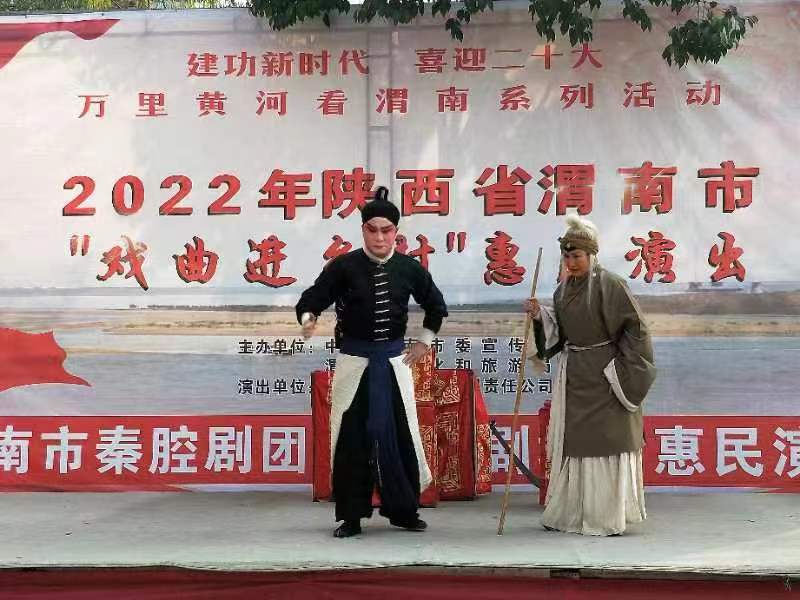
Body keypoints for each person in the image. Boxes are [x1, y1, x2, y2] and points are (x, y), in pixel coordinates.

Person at [296, 186, 448, 538]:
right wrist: (308, 317)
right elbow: (313, 297)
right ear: (363, 230)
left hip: (394, 364)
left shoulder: (409, 268)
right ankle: (351, 516)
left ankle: (404, 511)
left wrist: (424, 342)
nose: (379, 237)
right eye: (372, 230)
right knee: (352, 437)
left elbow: (436, 307)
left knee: (400, 433)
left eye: (386, 230)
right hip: (354, 364)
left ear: (396, 232)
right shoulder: (344, 266)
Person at [525, 215, 656, 536]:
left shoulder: (611, 285)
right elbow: (562, 332)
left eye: (577, 256)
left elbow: (637, 330)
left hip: (609, 377)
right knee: (576, 444)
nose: (571, 263)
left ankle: (607, 516)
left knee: (608, 441)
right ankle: (572, 513)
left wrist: (622, 370)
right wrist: (540, 316)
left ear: (591, 254)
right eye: (567, 256)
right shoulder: (562, 290)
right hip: (575, 375)